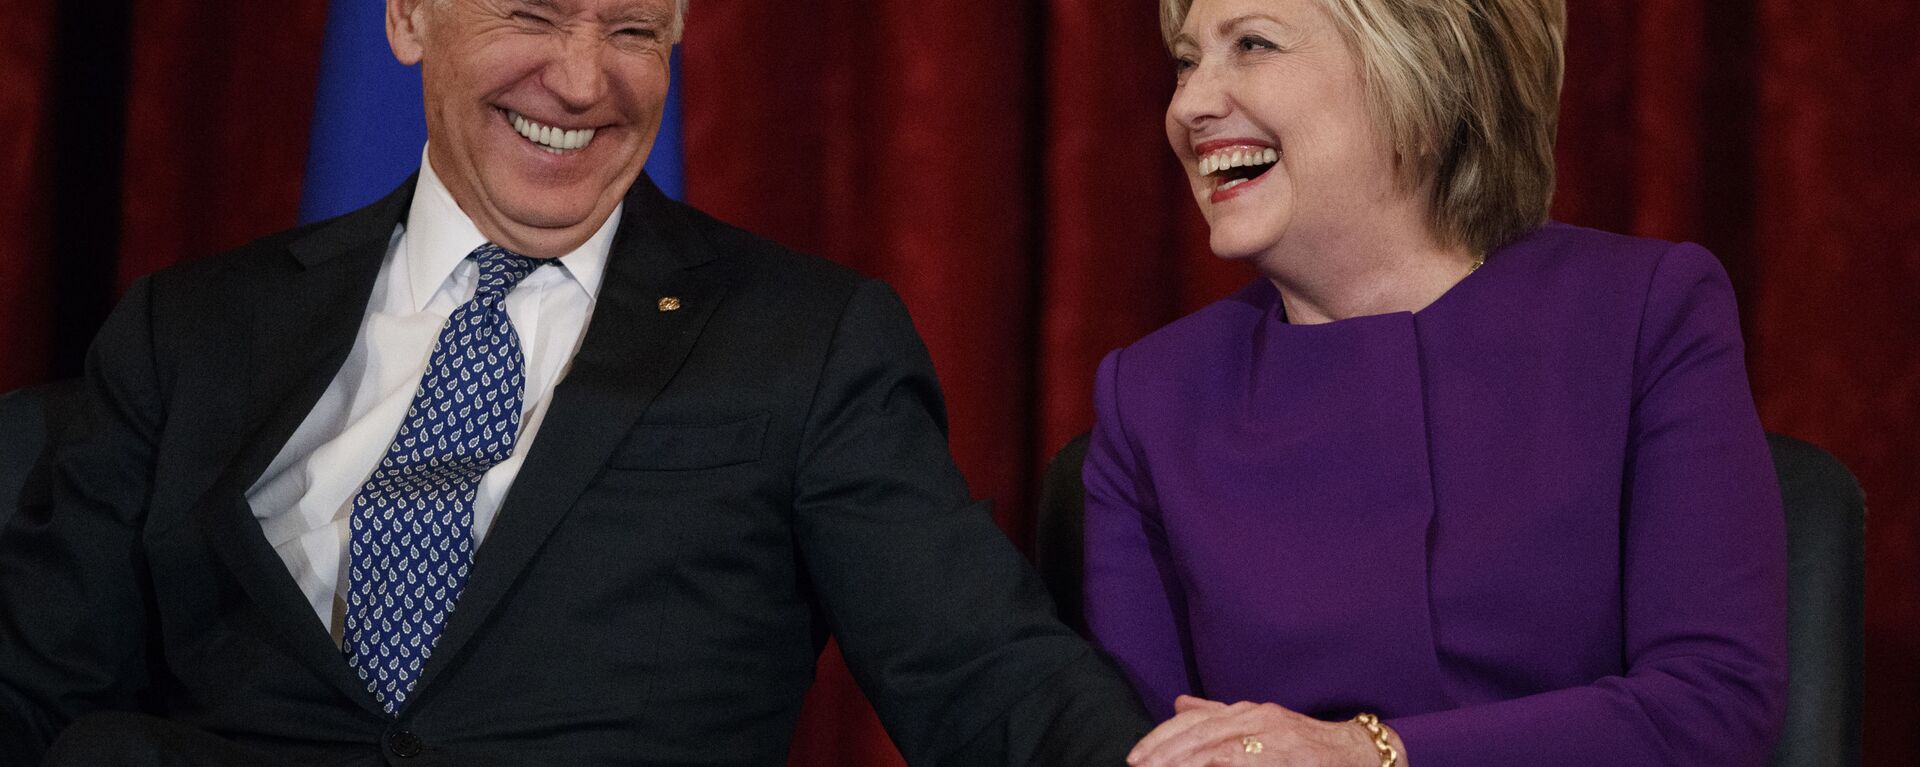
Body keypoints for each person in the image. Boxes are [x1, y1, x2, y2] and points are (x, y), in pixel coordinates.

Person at [0, 0, 1150, 763]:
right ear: (408, 16)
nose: (584, 78)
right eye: (535, 11)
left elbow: (980, 668)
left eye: (636, 28)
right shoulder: (196, 327)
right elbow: (37, 677)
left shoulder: (805, 339)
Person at [1083, 0, 1787, 765]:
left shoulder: (1644, 312)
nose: (1189, 104)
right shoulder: (1149, 399)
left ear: (1423, 76)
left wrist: (1367, 753)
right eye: (1187, 61)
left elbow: (1715, 700)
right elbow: (1155, 748)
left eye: (1253, 44)